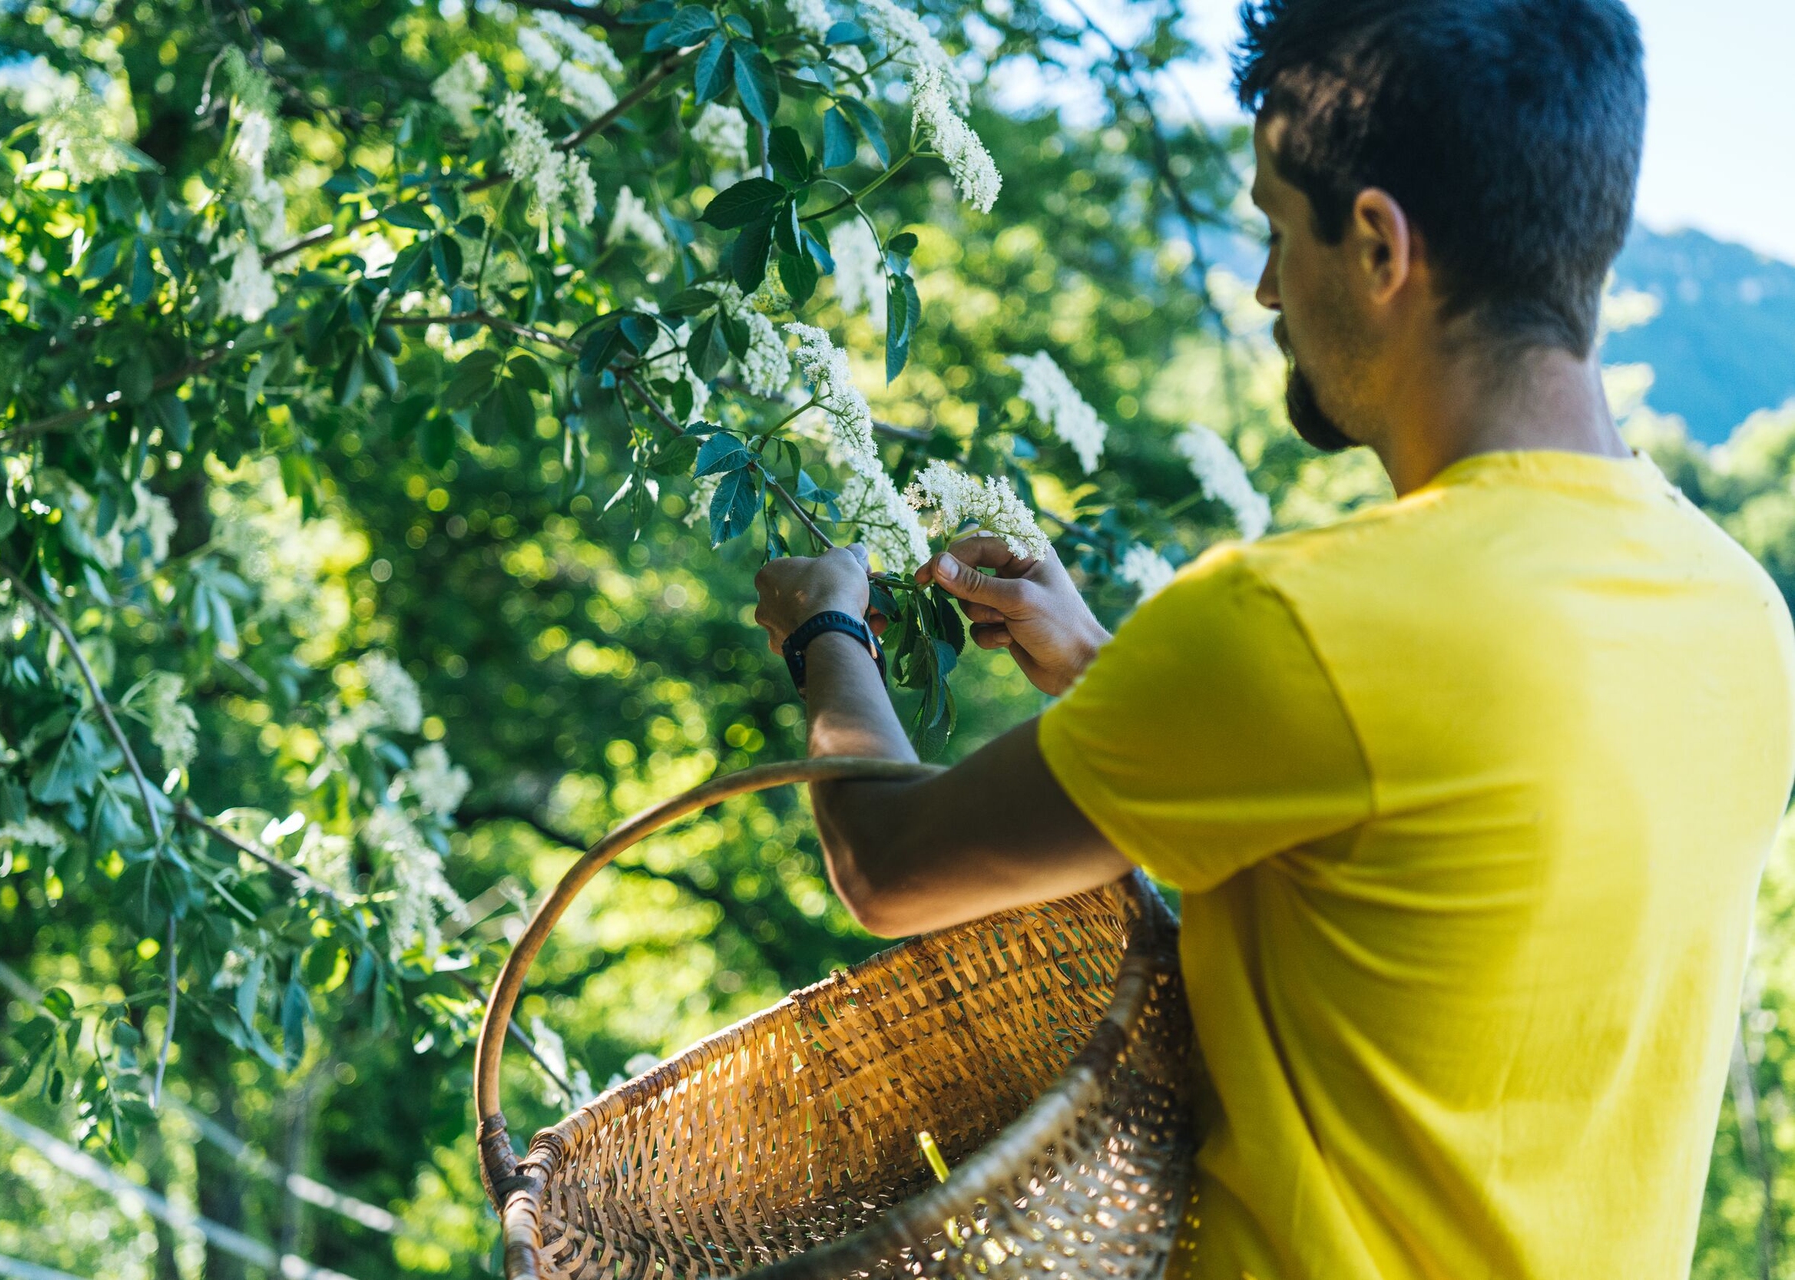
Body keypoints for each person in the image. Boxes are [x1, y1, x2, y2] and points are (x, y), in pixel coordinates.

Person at [748, 0, 1795, 1275]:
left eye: (1272, 227)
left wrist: (828, 626)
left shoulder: (1298, 621)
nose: (1262, 288)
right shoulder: (1739, 609)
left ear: (1376, 244)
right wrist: (1106, 671)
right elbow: (1412, 853)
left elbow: (890, 868)